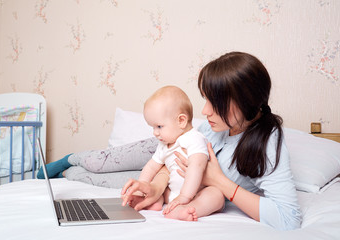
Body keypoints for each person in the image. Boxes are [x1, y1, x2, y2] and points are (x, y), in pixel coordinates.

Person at [121, 52, 302, 230]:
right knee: (118, 168)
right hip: (165, 159)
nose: (205, 111)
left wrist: (218, 180)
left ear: (245, 101)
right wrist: (155, 188)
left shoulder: (266, 145)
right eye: (205, 99)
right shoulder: (212, 128)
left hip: (188, 189)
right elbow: (171, 159)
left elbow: (288, 218)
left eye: (215, 102)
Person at [134, 85, 224, 221]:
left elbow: (197, 167)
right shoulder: (164, 145)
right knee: (160, 187)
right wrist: (141, 187)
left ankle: (190, 209)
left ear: (181, 121)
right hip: (173, 193)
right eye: (152, 127)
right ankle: (156, 202)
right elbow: (151, 167)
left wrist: (185, 196)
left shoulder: (194, 138)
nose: (155, 133)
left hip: (196, 193)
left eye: (159, 126)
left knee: (216, 195)